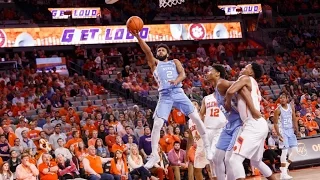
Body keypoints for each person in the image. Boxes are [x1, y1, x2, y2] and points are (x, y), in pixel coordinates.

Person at [131, 30, 211, 169]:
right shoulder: (154, 63)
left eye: (162, 50)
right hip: (165, 95)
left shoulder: (175, 61)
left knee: (196, 118)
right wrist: (138, 37)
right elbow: (147, 51)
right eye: (159, 50)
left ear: (167, 53)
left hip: (178, 91)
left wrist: (176, 80)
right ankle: (154, 154)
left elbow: (183, 74)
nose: (160, 51)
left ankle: (207, 145)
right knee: (156, 125)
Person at [225, 63, 276, 180]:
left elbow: (229, 91)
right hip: (260, 124)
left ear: (251, 72)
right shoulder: (252, 83)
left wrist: (227, 102)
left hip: (253, 124)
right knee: (256, 162)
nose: (243, 68)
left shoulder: (245, 78)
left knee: (234, 159)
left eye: (246, 67)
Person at [208, 64, 258, 180]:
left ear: (217, 74)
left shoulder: (222, 83)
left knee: (229, 159)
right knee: (216, 158)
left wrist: (251, 106)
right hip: (228, 125)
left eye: (210, 70)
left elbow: (241, 86)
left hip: (239, 124)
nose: (207, 73)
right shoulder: (216, 90)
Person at [199, 81, 228, 180]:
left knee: (214, 153)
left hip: (221, 128)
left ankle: (224, 176)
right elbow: (201, 114)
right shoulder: (206, 98)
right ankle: (215, 176)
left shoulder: (225, 97)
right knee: (210, 157)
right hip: (208, 128)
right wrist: (200, 127)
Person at [273, 92, 299, 179]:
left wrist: (297, 129)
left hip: (291, 131)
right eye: (280, 98)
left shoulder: (291, 107)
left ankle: (285, 167)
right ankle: (283, 174)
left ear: (287, 99)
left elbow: (294, 118)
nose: (282, 99)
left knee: (295, 151)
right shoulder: (278, 110)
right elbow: (275, 123)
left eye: (284, 97)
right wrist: (279, 134)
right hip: (283, 131)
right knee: (284, 151)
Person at [189, 101, 210, 180]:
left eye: (195, 104)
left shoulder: (203, 116)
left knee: (211, 168)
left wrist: (200, 134)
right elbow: (190, 137)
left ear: (198, 107)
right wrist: (188, 150)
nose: (193, 105)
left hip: (207, 144)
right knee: (197, 170)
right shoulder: (190, 120)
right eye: (191, 104)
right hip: (199, 147)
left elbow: (210, 129)